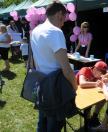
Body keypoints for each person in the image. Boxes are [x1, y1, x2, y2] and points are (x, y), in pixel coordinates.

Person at [30, 2, 77, 132]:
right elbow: (66, 68)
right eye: (64, 18)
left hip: (42, 82)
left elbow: (35, 60)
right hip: (56, 86)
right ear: (59, 14)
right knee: (55, 125)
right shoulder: (56, 32)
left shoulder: (35, 31)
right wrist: (75, 87)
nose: (63, 23)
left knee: (42, 123)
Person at [76, 61, 108, 127]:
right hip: (77, 96)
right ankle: (87, 122)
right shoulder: (85, 70)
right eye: (101, 72)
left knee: (103, 98)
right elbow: (82, 83)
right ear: (95, 69)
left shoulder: (100, 73)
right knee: (87, 107)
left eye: (103, 73)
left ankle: (94, 117)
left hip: (88, 93)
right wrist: (96, 84)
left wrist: (103, 76)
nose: (101, 75)